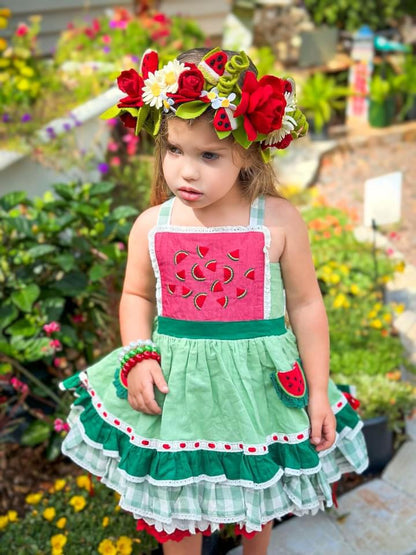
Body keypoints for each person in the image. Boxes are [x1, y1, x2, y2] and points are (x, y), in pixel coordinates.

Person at [61, 47, 368, 555]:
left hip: (260, 390)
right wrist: (138, 356)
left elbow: (308, 305)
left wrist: (317, 392)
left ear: (248, 152)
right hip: (180, 392)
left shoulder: (278, 221)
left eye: (209, 155)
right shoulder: (152, 226)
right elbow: (136, 294)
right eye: (175, 150)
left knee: (256, 492)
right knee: (181, 514)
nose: (187, 171)